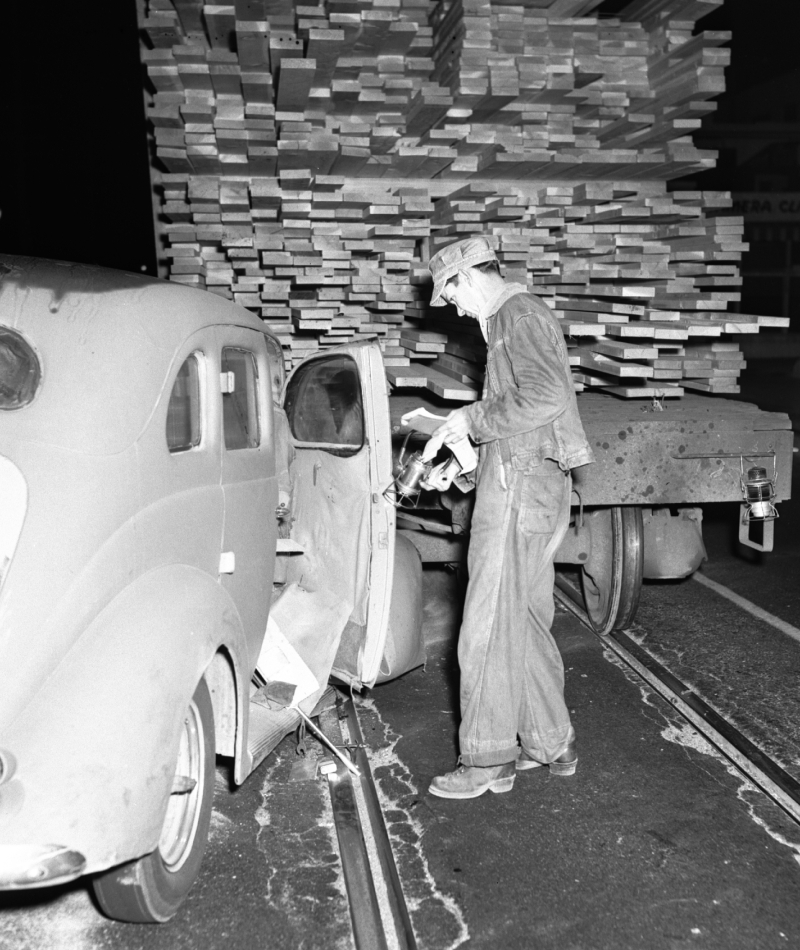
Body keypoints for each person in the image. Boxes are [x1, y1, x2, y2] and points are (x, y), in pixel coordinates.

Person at [424, 236, 594, 800]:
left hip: (521, 491)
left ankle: (489, 756)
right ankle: (551, 741)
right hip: (527, 482)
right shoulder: (510, 322)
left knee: (488, 625)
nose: (450, 307)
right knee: (520, 617)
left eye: (449, 294)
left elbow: (546, 397)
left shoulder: (516, 316)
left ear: (469, 277)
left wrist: (470, 420)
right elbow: (526, 421)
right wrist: (467, 464)